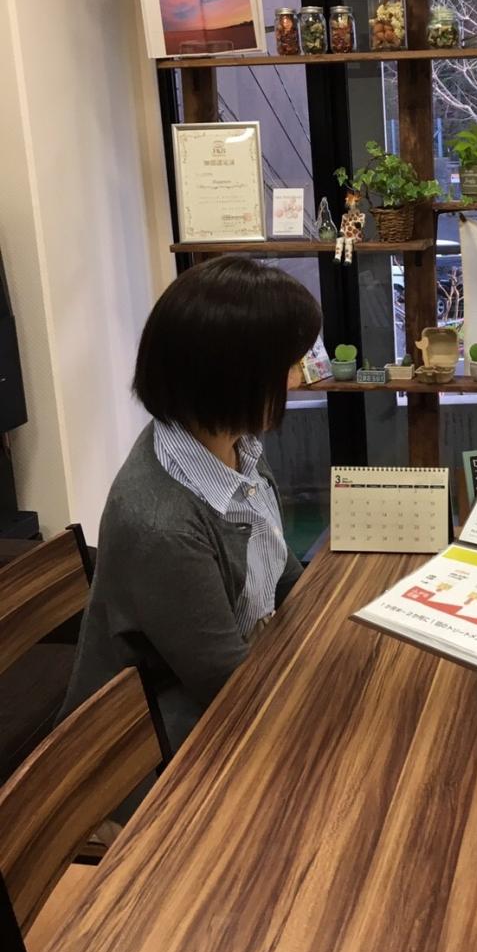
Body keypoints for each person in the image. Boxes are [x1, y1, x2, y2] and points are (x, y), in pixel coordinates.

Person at [62, 256, 322, 769]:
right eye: (289, 366)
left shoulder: (233, 445)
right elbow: (226, 686)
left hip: (234, 688)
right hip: (156, 751)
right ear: (232, 377)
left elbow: (281, 572)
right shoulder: (163, 524)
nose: (299, 379)